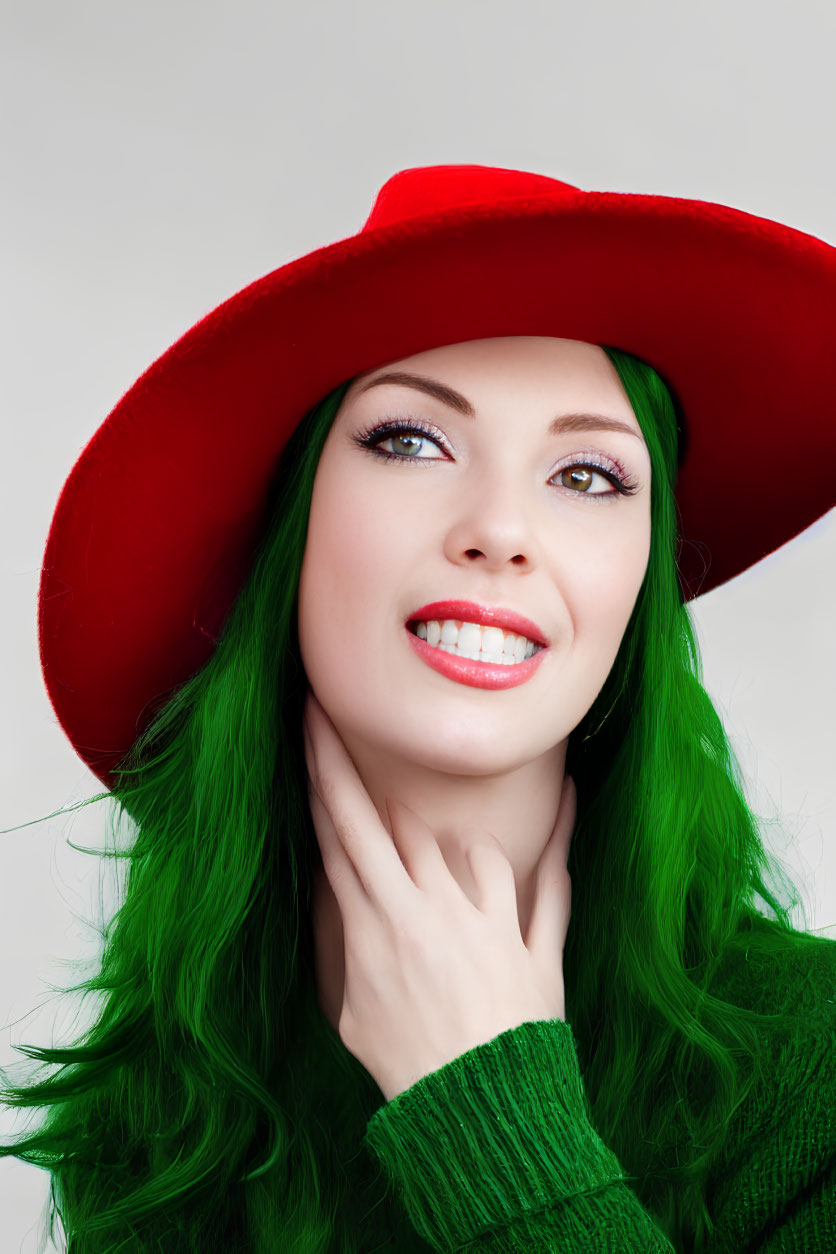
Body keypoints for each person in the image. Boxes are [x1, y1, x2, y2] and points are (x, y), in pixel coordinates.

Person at [1, 164, 834, 1253]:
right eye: (408, 442)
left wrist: (488, 1113)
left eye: (586, 475)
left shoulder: (813, 1072)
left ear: (640, 574)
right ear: (289, 529)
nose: (499, 527)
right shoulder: (167, 1095)